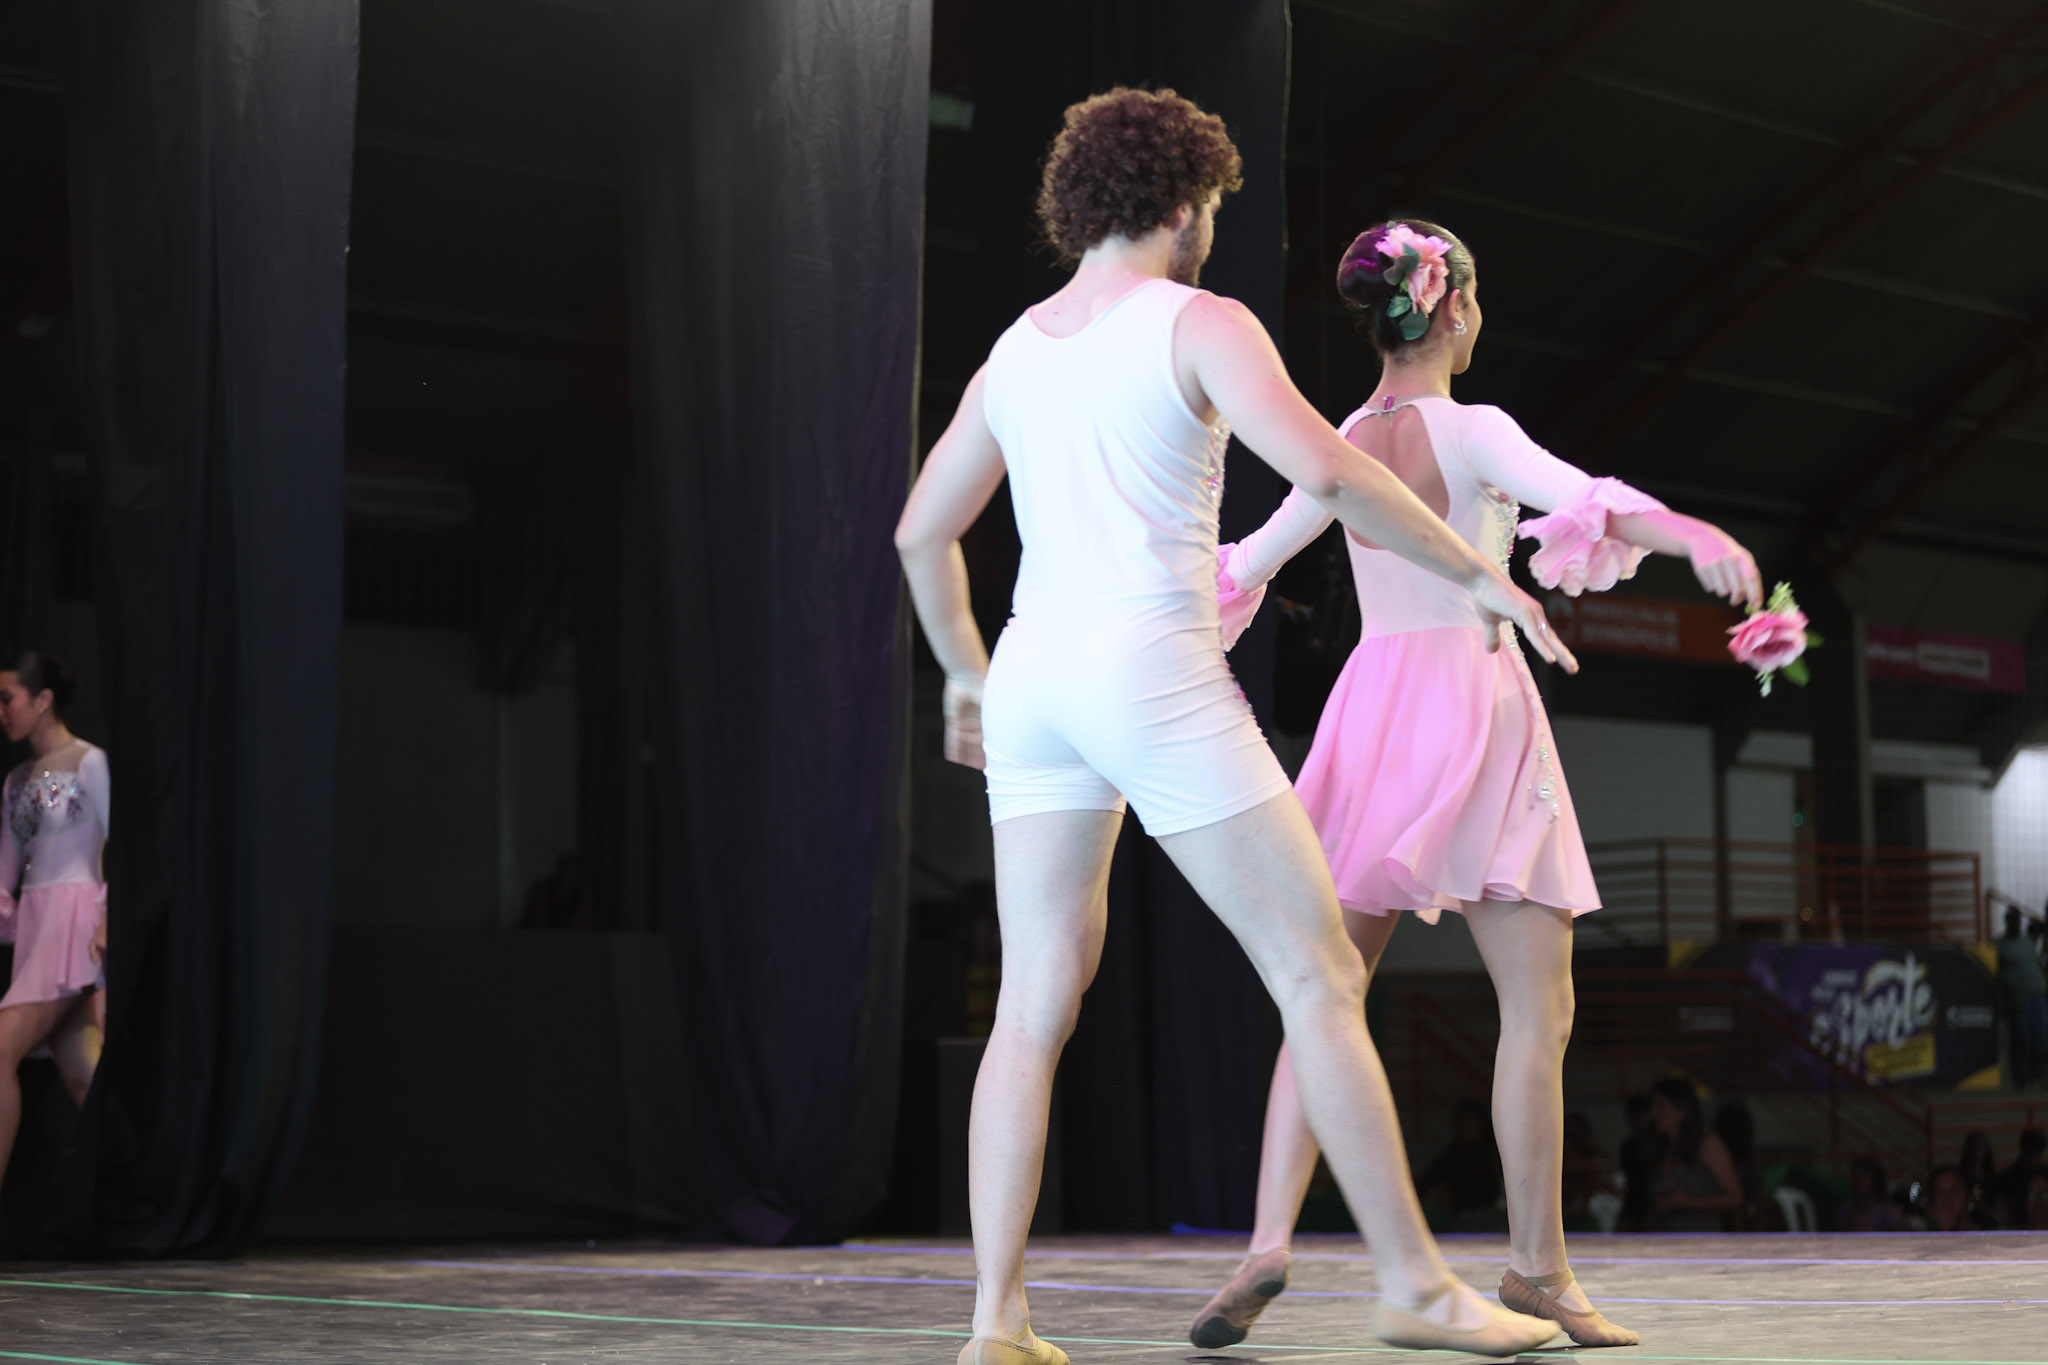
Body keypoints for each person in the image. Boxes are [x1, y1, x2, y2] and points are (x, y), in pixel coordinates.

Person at [894, 89, 1565, 1364]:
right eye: (1213, 206)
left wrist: (965, 678)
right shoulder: (1200, 322)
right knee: (1317, 973)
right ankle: (1415, 1289)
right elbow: (1330, 471)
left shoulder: (1014, 351)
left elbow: (923, 534)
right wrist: (1476, 571)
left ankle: (995, 1324)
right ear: (1185, 200)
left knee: (1030, 1003)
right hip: (1149, 666)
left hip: (1034, 677)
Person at [1185, 217, 1761, 1352]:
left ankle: (1264, 1241)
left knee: (1324, 991)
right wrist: (1691, 532)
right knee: (1537, 1009)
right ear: (1452, 307)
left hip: (1369, 718)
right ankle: (1538, 1269)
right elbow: (1587, 497)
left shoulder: (1338, 440)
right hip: (1475, 708)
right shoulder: (1473, 428)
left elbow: (1244, 564)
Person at [0, 650, 108, 1190]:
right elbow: (5, 871)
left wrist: (109, 921)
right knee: (82, 1076)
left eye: (7, 699)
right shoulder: (16, 779)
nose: (1, 712)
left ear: (42, 700)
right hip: (36, 932)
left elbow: (121, 846)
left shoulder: (89, 761)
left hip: (76, 929)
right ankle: (134, 1194)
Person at [1644, 1077, 1744, 1232]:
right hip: (1663, 1237)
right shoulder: (1663, 1148)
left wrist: (1686, 1202)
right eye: (1652, 1106)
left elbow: (1735, 1198)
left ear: (1681, 1110)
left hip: (1699, 1237)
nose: (1653, 1113)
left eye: (1660, 1106)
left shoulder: (1707, 1144)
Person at [1414, 1097, 1506, 1232]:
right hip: (1461, 1220)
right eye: (1463, 1122)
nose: (1468, 1127)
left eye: (1472, 1122)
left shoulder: (1494, 1153)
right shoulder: (1450, 1158)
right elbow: (1423, 1185)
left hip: (1492, 1218)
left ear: (1481, 1124)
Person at [1996, 907, 2047, 1085]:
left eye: (2018, 921)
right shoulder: (2000, 945)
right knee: (2022, 1039)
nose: (2016, 924)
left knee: (2041, 1037)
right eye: (2013, 921)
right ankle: (2021, 1077)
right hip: (2020, 1000)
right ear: (2007, 923)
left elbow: (2041, 927)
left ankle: (2038, 1074)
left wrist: (2033, 915)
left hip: (2038, 997)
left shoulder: (2027, 939)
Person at [1835, 1156, 1905, 1232]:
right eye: (1855, 1175)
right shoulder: (1844, 1212)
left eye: (1863, 1175)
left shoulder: (1889, 1213)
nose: (1857, 1180)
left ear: (1875, 1180)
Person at [1995, 1128, 2044, 1226]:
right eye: (2030, 1153)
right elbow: (2000, 1207)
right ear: (2023, 1151)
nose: (2034, 1159)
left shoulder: (2045, 1176)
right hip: (2014, 1228)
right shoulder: (2007, 1178)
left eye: (2037, 1153)